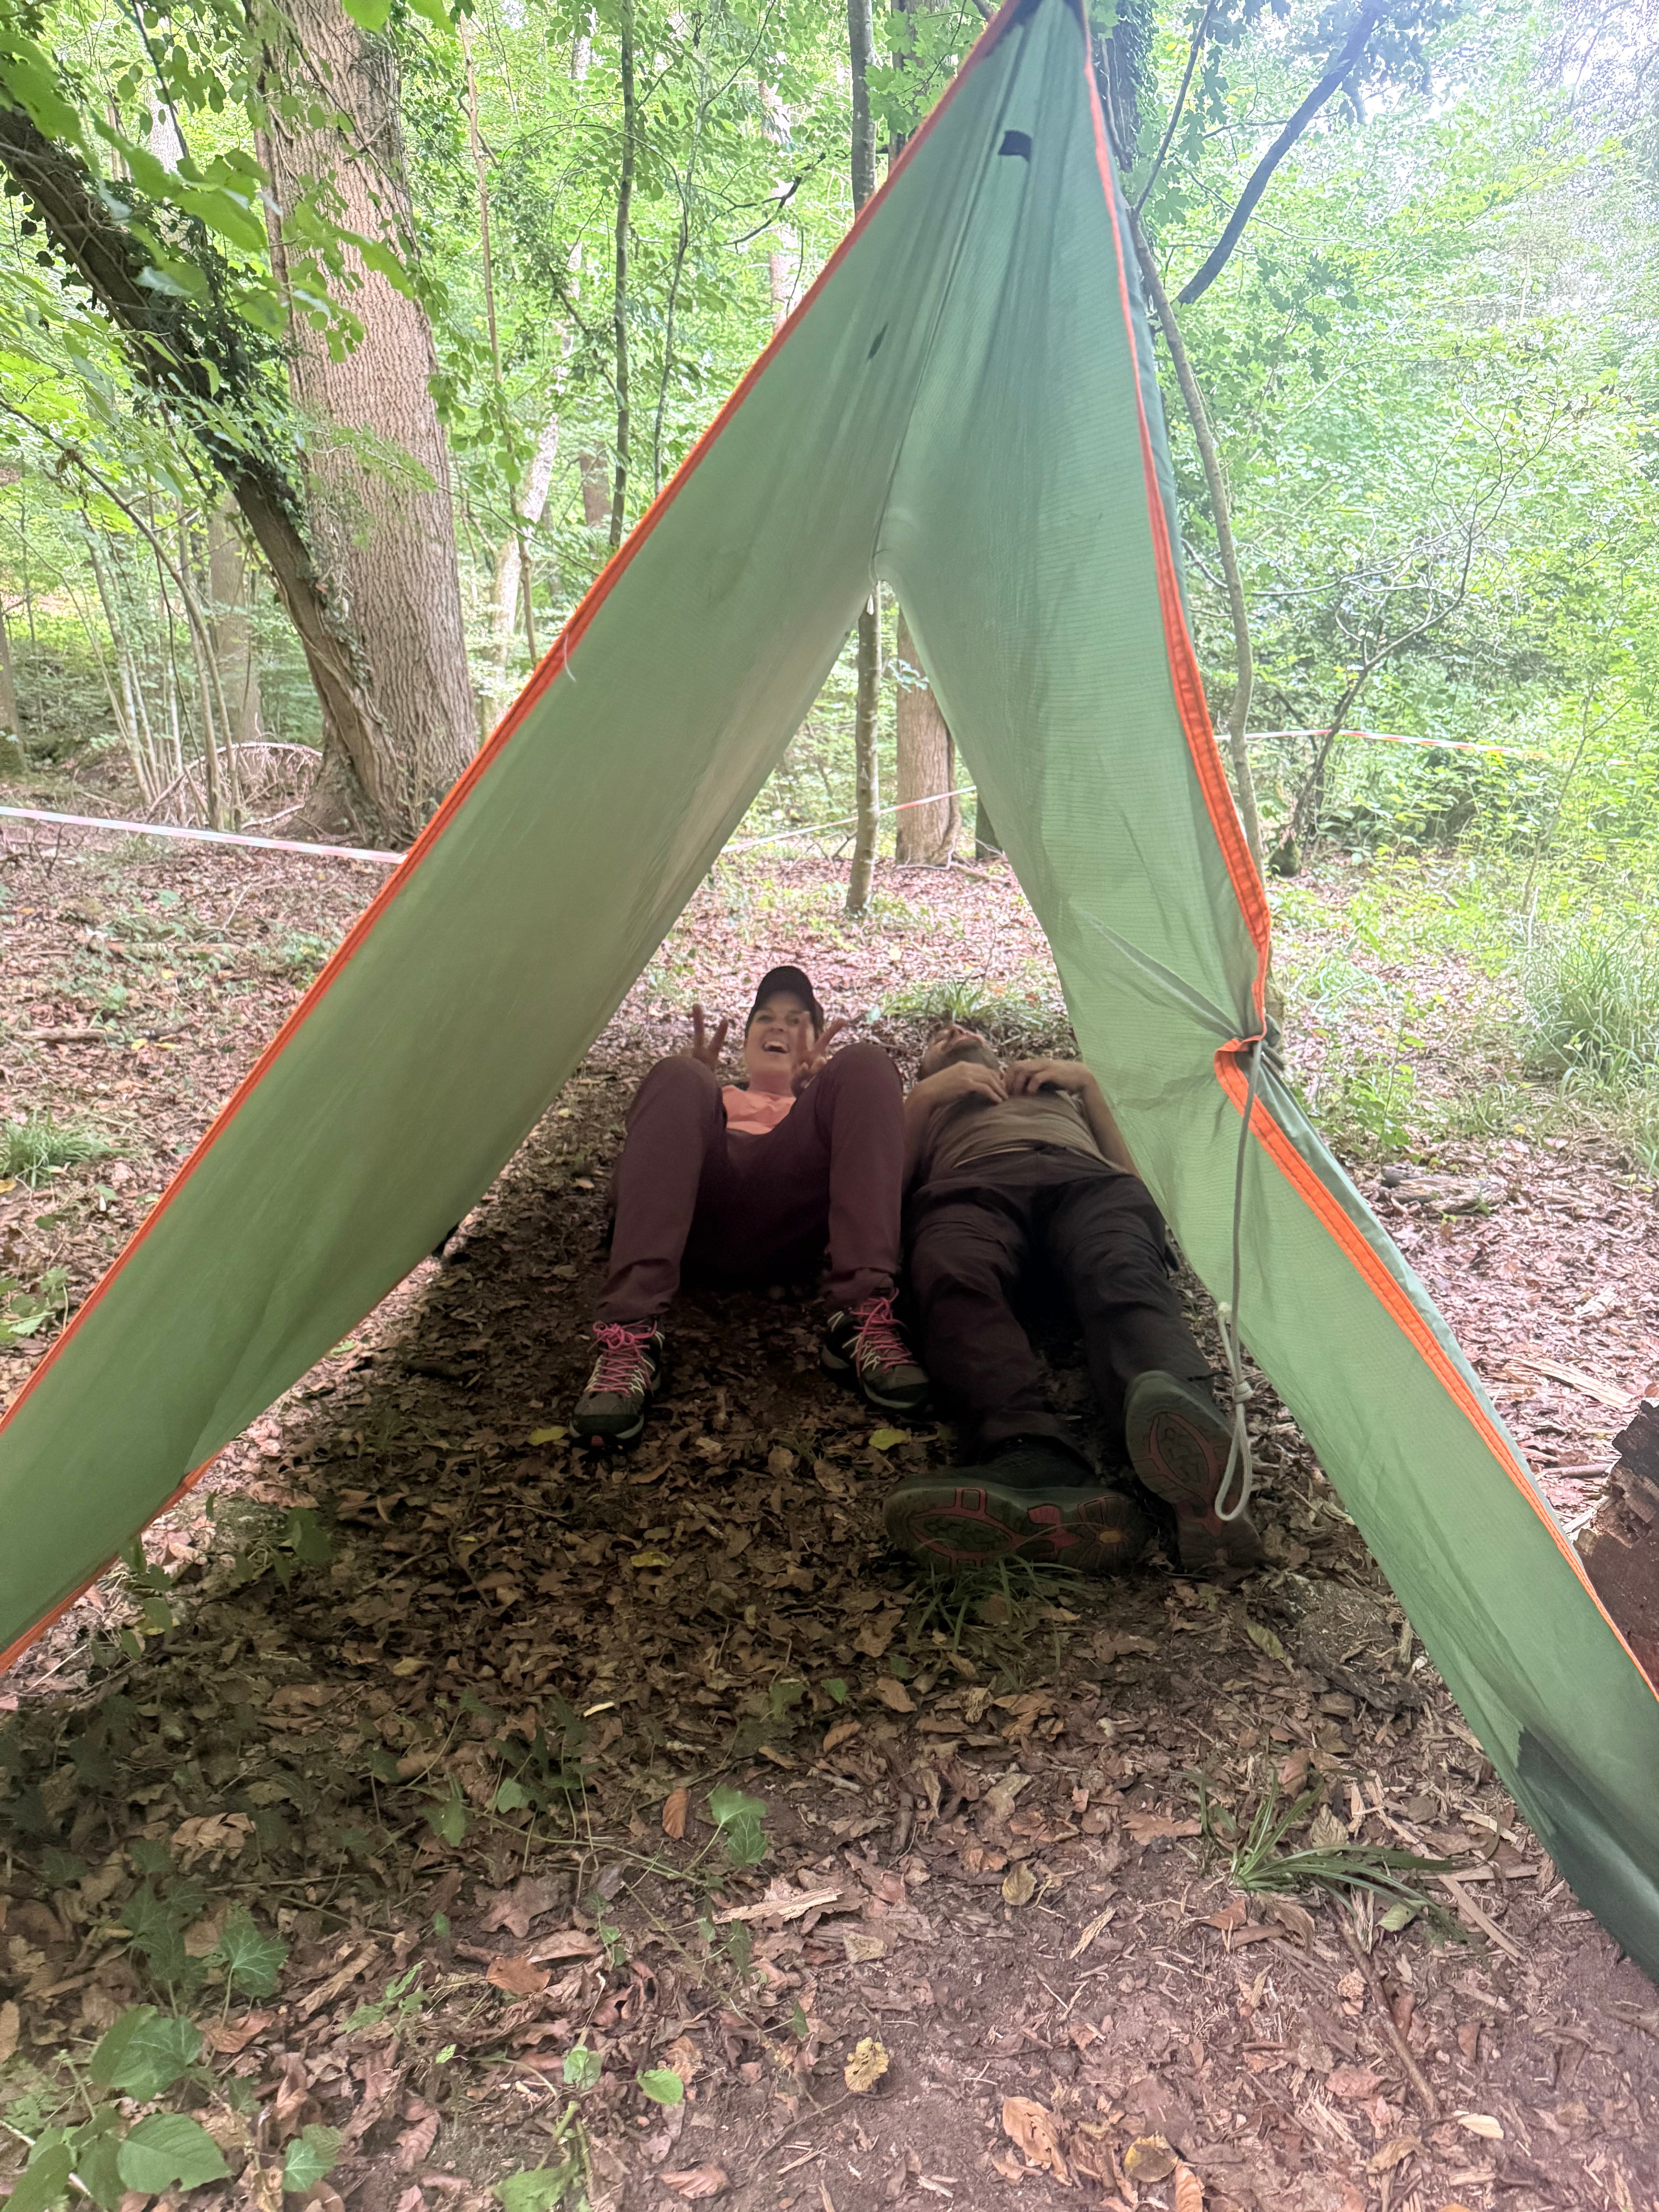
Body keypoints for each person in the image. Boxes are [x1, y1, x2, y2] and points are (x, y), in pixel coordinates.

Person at [881, 1022, 1263, 1577]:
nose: (954, 1030)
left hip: (1086, 1182)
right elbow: (884, 1191)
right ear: (923, 1068)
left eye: (962, 1027)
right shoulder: (928, 1103)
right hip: (970, 1189)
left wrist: (1087, 1084)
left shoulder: (1054, 1085)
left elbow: (1134, 1179)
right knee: (953, 1276)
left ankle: (1190, 1438)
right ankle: (1028, 1456)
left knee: (1121, 1267)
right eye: (937, 1037)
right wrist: (924, 1096)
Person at [574, 965, 928, 1446]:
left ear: (816, 1042)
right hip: (698, 1215)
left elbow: (883, 1176)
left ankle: (861, 1320)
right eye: (765, 1018)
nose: (779, 1026)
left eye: (796, 1020)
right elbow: (625, 1191)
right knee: (678, 1073)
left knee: (866, 1061)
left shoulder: (825, 1114)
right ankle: (628, 1340)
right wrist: (690, 1094)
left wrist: (824, 1099)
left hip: (791, 1219)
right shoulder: (707, 1097)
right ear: (745, 1044)